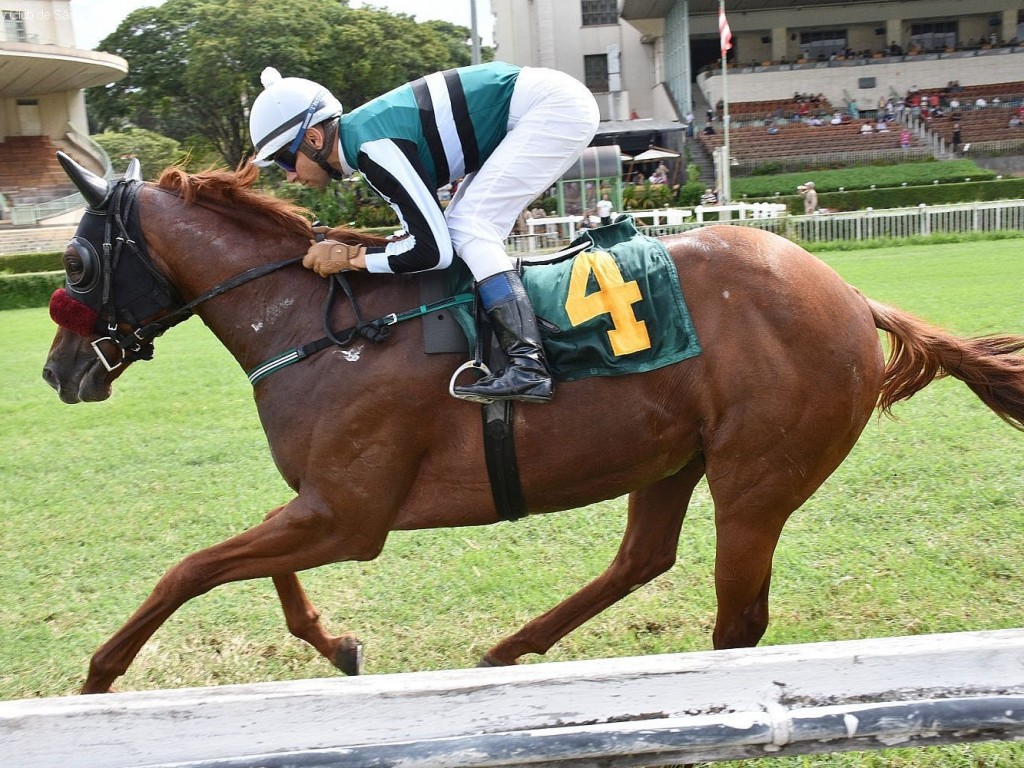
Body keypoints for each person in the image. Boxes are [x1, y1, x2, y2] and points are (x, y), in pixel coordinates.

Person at [248, 62, 599, 404]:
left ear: (313, 137)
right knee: (464, 225)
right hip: (536, 106)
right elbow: (420, 238)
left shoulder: (374, 146)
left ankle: (528, 366)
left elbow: (432, 251)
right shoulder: (366, 144)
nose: (289, 177)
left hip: (551, 107)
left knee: (470, 228)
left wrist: (350, 258)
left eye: (284, 160)